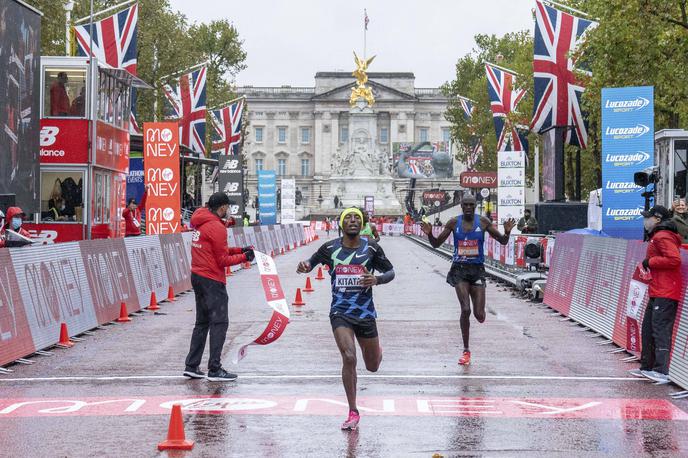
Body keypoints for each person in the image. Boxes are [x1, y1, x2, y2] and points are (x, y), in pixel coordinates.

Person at [297, 207, 395, 430]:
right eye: (348, 218)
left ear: (362, 224)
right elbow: (309, 263)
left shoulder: (371, 247)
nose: (352, 221)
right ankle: (353, 411)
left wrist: (377, 280)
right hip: (340, 312)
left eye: (356, 218)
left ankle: (378, 353)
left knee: (372, 366)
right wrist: (304, 267)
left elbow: (390, 272)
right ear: (341, 224)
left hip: (366, 314)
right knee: (349, 357)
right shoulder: (330, 248)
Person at [421, 195, 515, 365]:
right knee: (465, 310)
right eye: (466, 205)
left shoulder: (484, 222)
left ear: (475, 206)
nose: (469, 208)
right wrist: (429, 234)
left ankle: (480, 308)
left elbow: (502, 241)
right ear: (462, 206)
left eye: (472, 205)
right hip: (459, 270)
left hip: (477, 270)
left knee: (479, 315)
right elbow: (436, 244)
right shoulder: (452, 223)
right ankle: (466, 350)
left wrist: (507, 231)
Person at [184, 192, 255, 382]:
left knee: (202, 322)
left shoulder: (201, 219)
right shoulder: (216, 227)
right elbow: (222, 259)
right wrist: (245, 258)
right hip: (212, 279)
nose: (229, 210)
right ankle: (214, 369)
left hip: (197, 275)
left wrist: (240, 250)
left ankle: (192, 365)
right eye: (227, 207)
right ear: (222, 207)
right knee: (220, 323)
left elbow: (218, 250)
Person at [628, 206, 682, 384]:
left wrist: (650, 262)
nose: (645, 221)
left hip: (666, 291)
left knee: (660, 330)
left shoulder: (663, 236)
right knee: (648, 329)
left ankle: (661, 370)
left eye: (648, 217)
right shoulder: (658, 236)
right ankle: (647, 366)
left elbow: (674, 260)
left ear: (657, 219)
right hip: (658, 289)